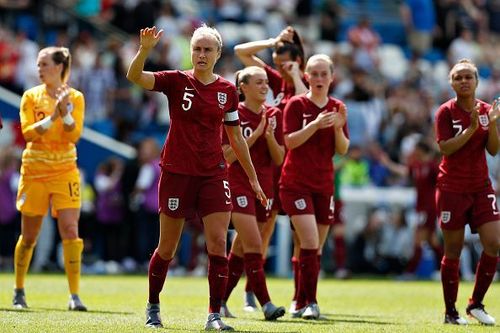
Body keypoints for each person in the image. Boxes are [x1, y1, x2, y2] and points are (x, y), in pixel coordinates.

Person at [126, 26, 267, 330]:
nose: (201, 55)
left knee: (218, 243)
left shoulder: (228, 91)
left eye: (207, 50)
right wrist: (145, 50)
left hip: (213, 175)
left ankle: (214, 315)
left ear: (218, 54)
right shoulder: (176, 80)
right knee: (167, 248)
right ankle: (153, 306)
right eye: (197, 49)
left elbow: (236, 138)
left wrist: (253, 179)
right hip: (177, 172)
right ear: (191, 51)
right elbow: (135, 77)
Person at [234, 25, 307, 312]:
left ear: (298, 60)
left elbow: (303, 102)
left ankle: (300, 296)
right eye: (275, 63)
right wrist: (271, 41)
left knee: (301, 236)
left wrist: (296, 74)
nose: (278, 67)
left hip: (291, 167)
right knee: (256, 234)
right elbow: (241, 52)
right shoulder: (271, 82)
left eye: (284, 62)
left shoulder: (305, 83)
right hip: (268, 169)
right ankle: (250, 291)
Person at [13, 46, 87, 311]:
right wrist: (54, 116)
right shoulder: (31, 96)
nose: (39, 69)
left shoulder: (75, 97)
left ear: (59, 67)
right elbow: (28, 133)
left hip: (65, 170)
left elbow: (73, 135)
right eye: (38, 64)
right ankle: (19, 289)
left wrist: (64, 113)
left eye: (44, 64)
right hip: (34, 171)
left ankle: (74, 295)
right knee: (29, 235)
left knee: (70, 229)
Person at [280, 54, 349, 319]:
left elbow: (342, 149)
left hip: (324, 185)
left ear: (332, 77)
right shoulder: (296, 105)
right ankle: (311, 302)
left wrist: (338, 128)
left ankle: (298, 299)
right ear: (306, 76)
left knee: (313, 248)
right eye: (314, 73)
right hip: (295, 183)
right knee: (309, 241)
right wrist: (315, 124)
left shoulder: (337, 107)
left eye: (324, 74)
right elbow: (290, 142)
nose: (319, 78)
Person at [434, 58, 499, 325]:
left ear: (476, 81)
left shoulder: (486, 110)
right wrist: (473, 128)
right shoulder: (445, 112)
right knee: (453, 250)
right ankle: (451, 312)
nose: (463, 81)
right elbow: (446, 148)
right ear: (451, 82)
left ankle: (476, 304)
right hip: (452, 187)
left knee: (494, 243)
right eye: (458, 77)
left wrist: (492, 124)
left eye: (467, 77)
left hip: (481, 186)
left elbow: (493, 149)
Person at [220, 66, 286, 320]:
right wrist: (255, 134)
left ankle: (220, 300)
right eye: (258, 82)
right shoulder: (232, 115)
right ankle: (266, 303)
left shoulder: (274, 115)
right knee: (255, 244)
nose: (264, 86)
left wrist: (267, 136)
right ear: (243, 87)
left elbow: (279, 158)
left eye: (266, 82)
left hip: (265, 188)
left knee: (240, 248)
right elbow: (227, 156)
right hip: (238, 184)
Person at [380, 139, 443, 279]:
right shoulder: (416, 166)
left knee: (418, 239)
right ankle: (444, 270)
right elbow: (404, 172)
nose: (413, 151)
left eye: (415, 148)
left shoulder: (433, 167)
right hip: (420, 208)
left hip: (430, 208)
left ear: (421, 150)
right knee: (432, 241)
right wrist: (388, 164)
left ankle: (410, 272)